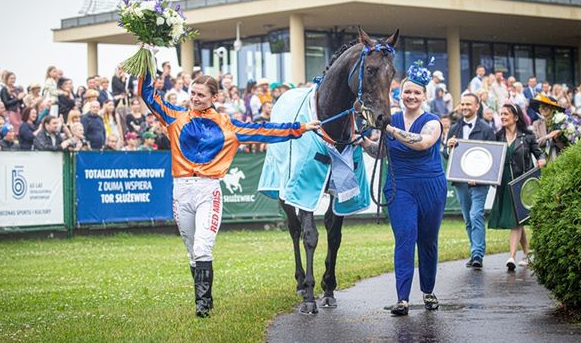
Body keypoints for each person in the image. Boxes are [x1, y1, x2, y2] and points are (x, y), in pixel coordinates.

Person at [138, 71, 318, 318]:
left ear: (214, 97)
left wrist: (301, 127)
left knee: (202, 247)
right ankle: (205, 299)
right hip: (180, 190)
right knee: (192, 251)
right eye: (192, 93)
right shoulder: (175, 116)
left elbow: (265, 130)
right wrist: (147, 62)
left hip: (208, 190)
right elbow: (148, 95)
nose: (194, 98)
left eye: (201, 95)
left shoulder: (228, 124)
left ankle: (202, 306)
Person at [360, 60, 446, 316]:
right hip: (400, 188)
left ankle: (428, 290)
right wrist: (363, 143)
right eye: (407, 92)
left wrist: (388, 129)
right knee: (405, 238)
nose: (411, 96)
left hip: (431, 186)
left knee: (428, 241)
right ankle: (403, 298)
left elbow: (422, 143)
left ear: (424, 96)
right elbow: (381, 152)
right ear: (399, 94)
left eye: (416, 92)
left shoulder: (433, 121)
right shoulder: (392, 119)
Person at [488, 103, 545, 271]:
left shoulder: (527, 136)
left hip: (522, 182)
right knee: (517, 219)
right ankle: (527, 253)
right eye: (501, 114)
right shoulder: (497, 136)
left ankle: (512, 256)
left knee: (516, 220)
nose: (503, 117)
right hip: (504, 182)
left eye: (506, 114)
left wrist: (541, 159)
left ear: (516, 117)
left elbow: (538, 152)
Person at [445, 93, 495, 269]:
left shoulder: (487, 129)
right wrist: (448, 146)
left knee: (476, 214)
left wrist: (478, 177)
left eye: (469, 104)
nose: (465, 107)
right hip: (460, 181)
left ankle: (477, 255)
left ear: (477, 107)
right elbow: (446, 154)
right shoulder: (454, 128)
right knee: (468, 218)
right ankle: (474, 250)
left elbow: (491, 157)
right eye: (463, 104)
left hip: (479, 183)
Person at [529, 93, 567, 162]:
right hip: (543, 161)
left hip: (560, 160)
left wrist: (557, 139)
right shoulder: (536, 124)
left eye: (545, 106)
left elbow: (566, 147)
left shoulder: (561, 123)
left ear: (553, 108)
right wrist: (548, 136)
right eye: (540, 106)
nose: (542, 108)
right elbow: (535, 143)